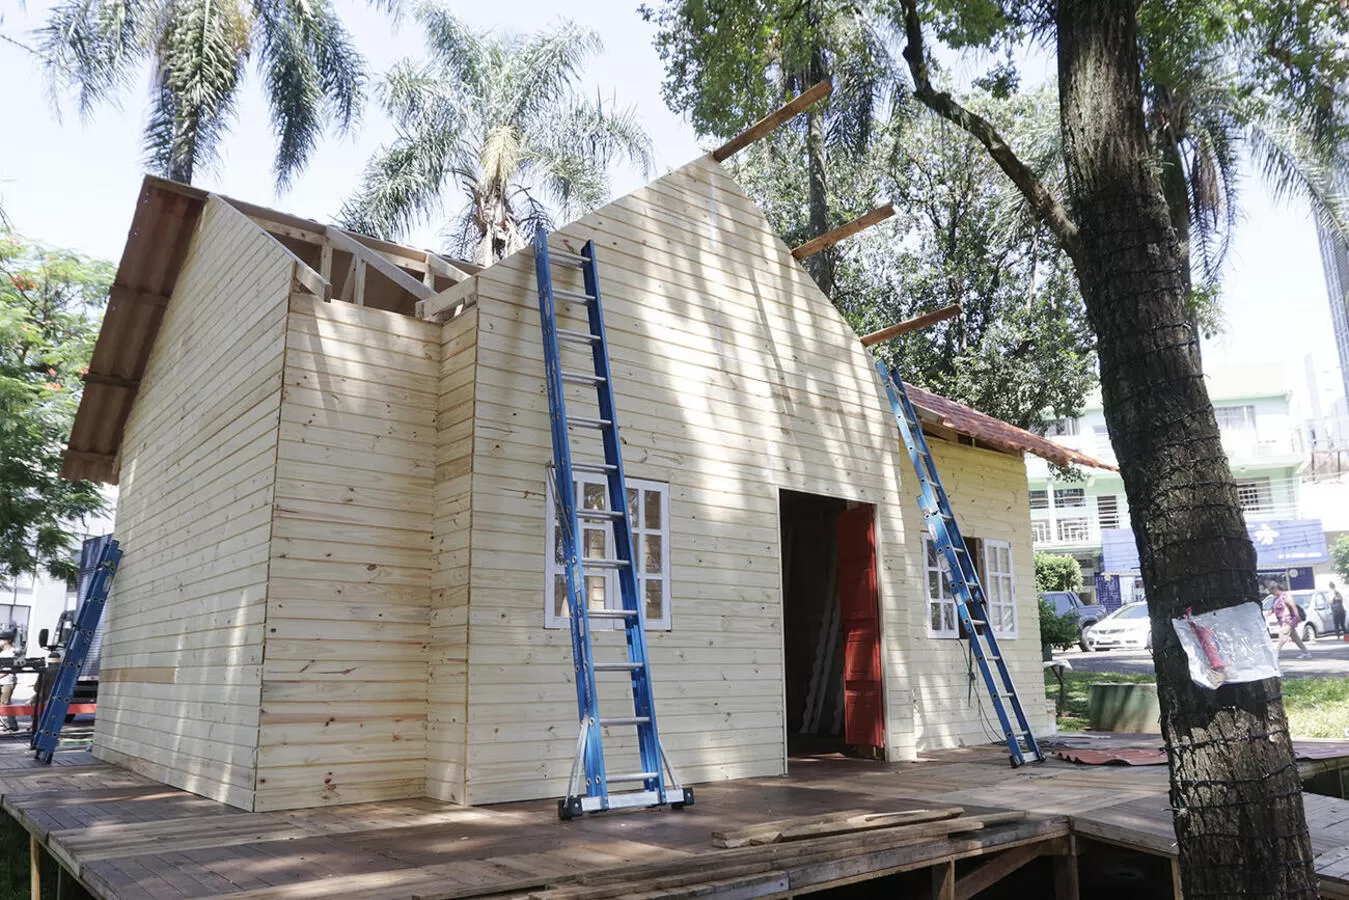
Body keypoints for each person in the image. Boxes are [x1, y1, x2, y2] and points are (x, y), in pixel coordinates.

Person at [1272, 590, 1313, 659]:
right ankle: (1306, 652)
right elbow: (1274, 609)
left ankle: (1275, 653)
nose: (1271, 592)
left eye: (1271, 590)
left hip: (1289, 619)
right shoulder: (1276, 598)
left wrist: (1297, 616)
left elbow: (1293, 606)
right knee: (1295, 638)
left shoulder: (1285, 596)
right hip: (1282, 620)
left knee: (1283, 636)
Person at [0, 633, 18, 733]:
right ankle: (9, 724)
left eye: (1, 640)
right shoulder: (2, 653)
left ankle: (12, 725)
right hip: (2, 680)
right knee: (4, 703)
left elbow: (9, 669)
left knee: (5, 703)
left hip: (7, 681)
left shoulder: (13, 652)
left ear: (7, 641)